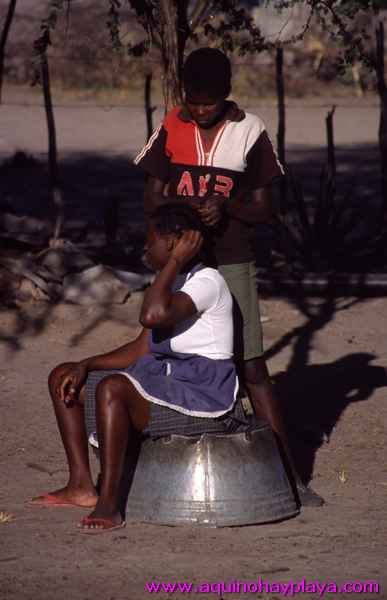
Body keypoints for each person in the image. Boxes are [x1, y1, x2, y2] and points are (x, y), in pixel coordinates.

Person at [134, 48, 324, 506]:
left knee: (251, 362)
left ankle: (289, 475)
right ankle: (158, 465)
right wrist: (182, 215)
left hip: (233, 258)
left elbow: (264, 208)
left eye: (210, 102)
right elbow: (150, 197)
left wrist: (227, 207)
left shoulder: (249, 130)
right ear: (183, 95)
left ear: (226, 95)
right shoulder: (171, 127)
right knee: (165, 350)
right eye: (194, 101)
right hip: (180, 258)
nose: (200, 110)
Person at [30, 203, 251, 533]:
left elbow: (152, 317)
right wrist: (84, 364)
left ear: (176, 242)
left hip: (203, 396)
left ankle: (110, 503)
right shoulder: (170, 281)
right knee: (64, 375)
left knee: (114, 387)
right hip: (167, 381)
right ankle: (80, 485)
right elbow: (140, 348)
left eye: (153, 241)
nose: (146, 248)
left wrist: (174, 261)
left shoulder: (207, 282)